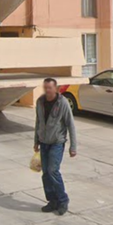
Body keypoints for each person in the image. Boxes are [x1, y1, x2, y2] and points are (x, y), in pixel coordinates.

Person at [33, 77, 77, 215]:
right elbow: (38, 122)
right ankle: (52, 201)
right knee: (46, 174)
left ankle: (63, 200)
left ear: (55, 88)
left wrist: (73, 147)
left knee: (53, 171)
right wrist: (36, 141)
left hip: (57, 143)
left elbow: (70, 124)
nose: (47, 90)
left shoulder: (62, 103)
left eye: (50, 88)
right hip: (44, 143)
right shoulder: (40, 101)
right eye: (45, 87)